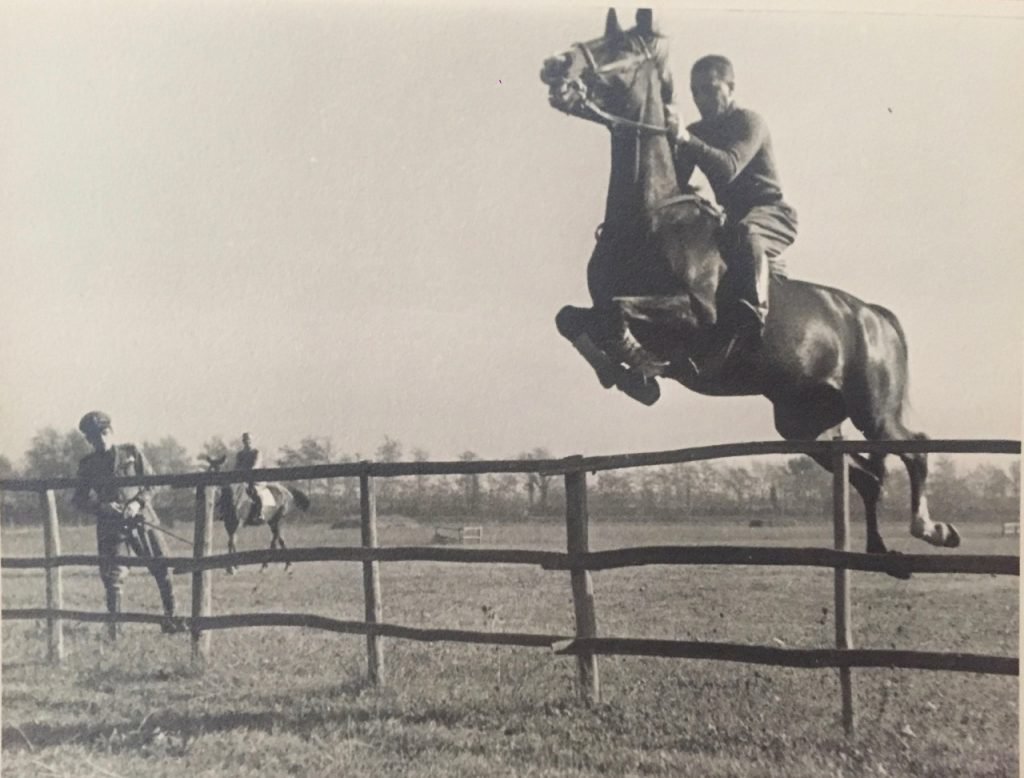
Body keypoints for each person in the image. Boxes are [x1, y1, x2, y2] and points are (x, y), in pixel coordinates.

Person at [665, 54, 798, 340]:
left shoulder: (749, 122)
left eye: (711, 89)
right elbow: (673, 183)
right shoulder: (696, 132)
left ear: (731, 87)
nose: (701, 98)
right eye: (695, 91)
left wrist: (685, 140)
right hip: (731, 219)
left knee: (746, 231)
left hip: (772, 213)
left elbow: (728, 168)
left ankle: (756, 311)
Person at [71, 411, 185, 636]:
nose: (101, 440)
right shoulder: (88, 465)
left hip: (142, 520)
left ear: (111, 432)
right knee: (112, 577)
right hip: (111, 526)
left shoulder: (131, 452)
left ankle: (172, 619)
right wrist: (101, 506)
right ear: (89, 440)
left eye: (104, 433)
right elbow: (79, 499)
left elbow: (153, 483)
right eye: (94, 437)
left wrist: (138, 503)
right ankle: (115, 629)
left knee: (162, 568)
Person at [234, 432, 269, 525]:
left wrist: (246, 471)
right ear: (243, 441)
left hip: (256, 480)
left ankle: (260, 513)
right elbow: (236, 466)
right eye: (245, 439)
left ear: (252, 441)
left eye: (249, 439)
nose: (247, 441)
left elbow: (256, 465)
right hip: (244, 479)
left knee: (256, 492)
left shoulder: (256, 452)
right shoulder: (240, 454)